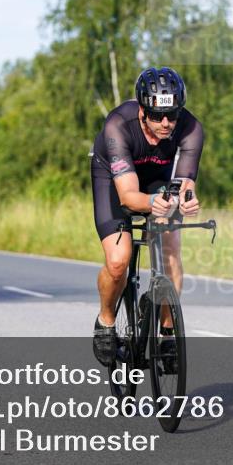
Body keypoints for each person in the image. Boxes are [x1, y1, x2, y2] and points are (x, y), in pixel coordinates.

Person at [88, 67, 204, 366]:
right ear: (142, 110)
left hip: (156, 179)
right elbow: (128, 197)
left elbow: (185, 184)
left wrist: (186, 201)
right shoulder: (118, 124)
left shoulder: (191, 128)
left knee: (170, 250)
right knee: (118, 262)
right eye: (156, 116)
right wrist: (156, 202)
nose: (166, 123)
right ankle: (106, 320)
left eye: (172, 115)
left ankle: (166, 333)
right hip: (115, 181)